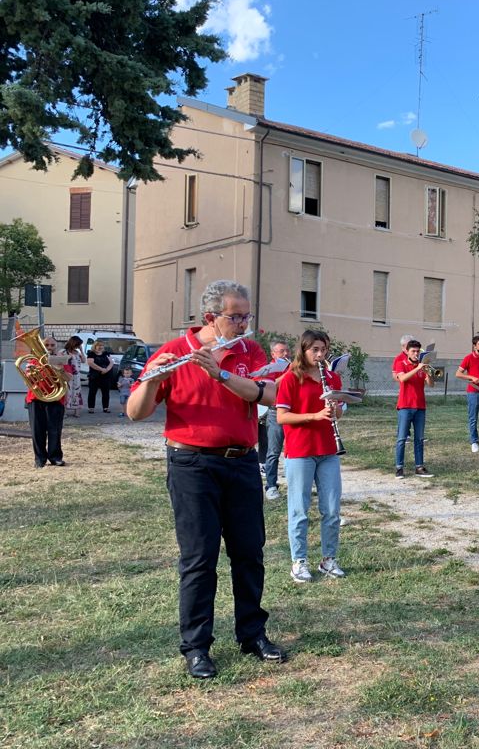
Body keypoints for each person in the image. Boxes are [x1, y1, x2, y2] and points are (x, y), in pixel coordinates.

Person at [127, 279, 285, 679]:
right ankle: (197, 646)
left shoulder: (249, 350)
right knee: (199, 559)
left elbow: (267, 395)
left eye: (247, 315)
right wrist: (152, 380)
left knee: (249, 553)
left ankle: (252, 634)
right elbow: (135, 412)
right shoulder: (174, 353)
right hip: (192, 465)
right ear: (210, 318)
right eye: (236, 317)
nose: (244, 323)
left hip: (242, 462)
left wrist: (221, 375)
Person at [276, 329, 346, 583]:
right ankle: (299, 562)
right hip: (300, 451)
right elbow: (282, 416)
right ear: (303, 350)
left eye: (323, 349)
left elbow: (338, 414)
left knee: (331, 510)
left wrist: (336, 409)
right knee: (299, 510)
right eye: (314, 349)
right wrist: (314, 416)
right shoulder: (291, 378)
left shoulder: (332, 378)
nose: (320, 354)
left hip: (328, 450)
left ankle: (329, 559)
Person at [393, 339, 434, 479]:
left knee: (419, 438)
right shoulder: (401, 364)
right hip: (405, 406)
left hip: (420, 406)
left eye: (418, 351)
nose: (416, 354)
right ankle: (399, 467)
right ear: (407, 352)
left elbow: (431, 385)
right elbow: (403, 378)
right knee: (401, 438)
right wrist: (417, 368)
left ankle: (419, 467)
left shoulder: (422, 367)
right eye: (413, 351)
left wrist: (427, 371)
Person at [26, 336, 67, 467]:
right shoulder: (33, 360)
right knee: (37, 430)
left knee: (55, 430)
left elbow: (70, 377)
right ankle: (39, 459)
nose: (49, 348)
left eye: (52, 345)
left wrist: (59, 369)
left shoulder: (62, 361)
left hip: (56, 399)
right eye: (47, 345)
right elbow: (28, 380)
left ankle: (55, 457)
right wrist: (30, 373)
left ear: (56, 346)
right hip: (36, 398)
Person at [263, 340, 291, 500]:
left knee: (293, 449)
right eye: (281, 351)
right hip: (275, 412)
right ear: (273, 354)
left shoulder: (291, 366)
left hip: (292, 411)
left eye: (287, 351)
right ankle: (271, 485)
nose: (286, 354)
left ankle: (295, 482)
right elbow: (271, 386)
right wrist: (289, 374)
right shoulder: (269, 368)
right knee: (273, 452)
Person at [86, 340, 113, 413]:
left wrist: (106, 369)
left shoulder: (106, 354)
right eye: (99, 345)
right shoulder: (91, 354)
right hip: (94, 376)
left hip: (105, 376)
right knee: (92, 392)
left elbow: (111, 362)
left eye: (102, 345)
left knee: (106, 393)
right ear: (95, 346)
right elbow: (91, 363)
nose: (100, 347)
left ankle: (105, 408)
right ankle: (91, 408)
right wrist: (101, 369)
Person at [63, 336, 85, 418]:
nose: (78, 346)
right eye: (78, 344)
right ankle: (65, 411)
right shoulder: (64, 352)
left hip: (77, 376)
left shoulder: (77, 352)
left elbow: (83, 361)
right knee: (67, 392)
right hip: (67, 375)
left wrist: (82, 350)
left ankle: (77, 411)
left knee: (77, 392)